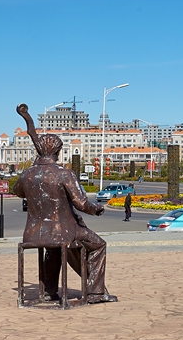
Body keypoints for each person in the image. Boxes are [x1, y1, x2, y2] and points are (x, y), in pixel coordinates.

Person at [14, 104, 117, 304]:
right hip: (63, 230)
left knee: (53, 250)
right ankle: (96, 293)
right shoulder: (64, 174)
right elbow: (81, 203)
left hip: (33, 233)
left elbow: (18, 191)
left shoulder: (27, 174)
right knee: (98, 245)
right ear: (58, 151)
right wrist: (96, 209)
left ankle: (49, 291)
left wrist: (34, 170)